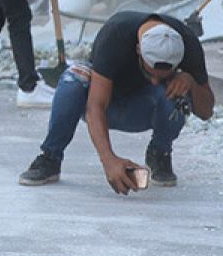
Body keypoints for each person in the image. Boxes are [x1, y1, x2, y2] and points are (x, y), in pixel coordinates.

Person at [18, 12, 213, 191]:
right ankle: (50, 157)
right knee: (74, 78)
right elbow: (96, 106)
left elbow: (206, 112)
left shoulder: (188, 44)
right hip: (105, 104)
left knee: (178, 91)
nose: (155, 81)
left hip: (143, 107)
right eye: (150, 73)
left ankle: (159, 153)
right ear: (138, 49)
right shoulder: (116, 33)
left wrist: (190, 82)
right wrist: (109, 160)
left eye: (162, 77)